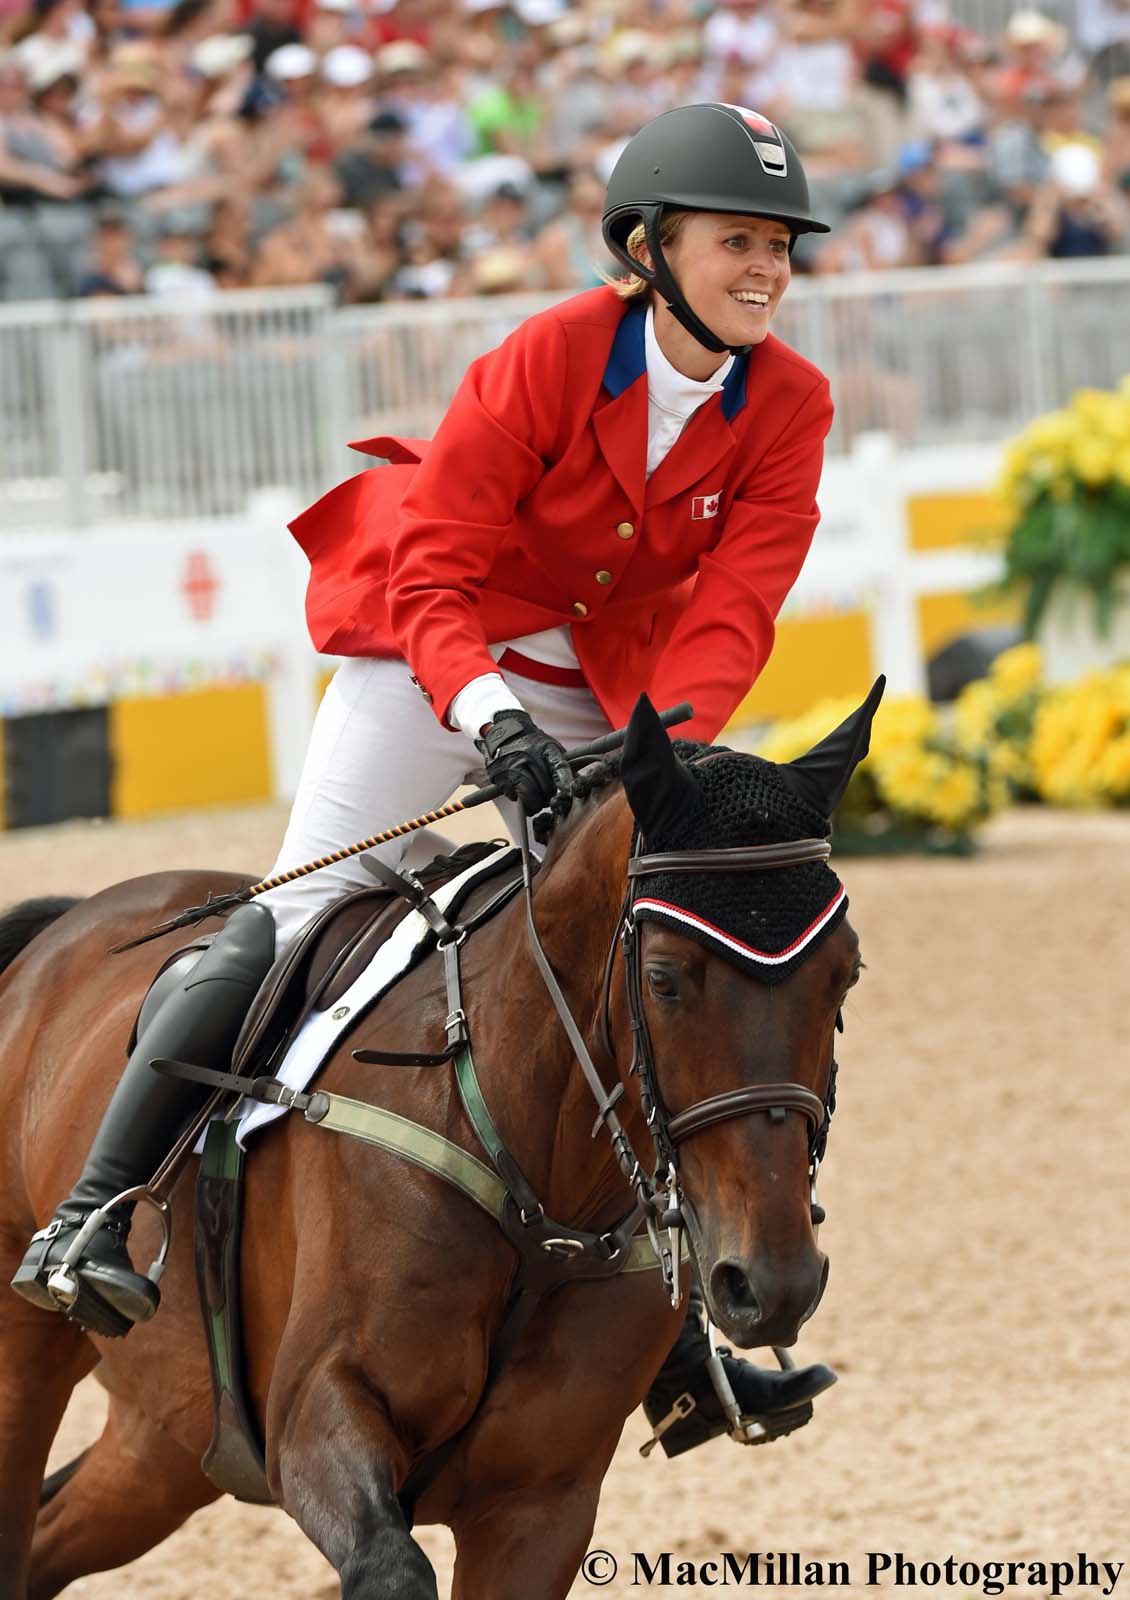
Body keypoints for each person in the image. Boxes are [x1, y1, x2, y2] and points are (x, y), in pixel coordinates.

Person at [12, 101, 838, 1457]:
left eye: (778, 247)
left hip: (609, 695)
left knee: (626, 971)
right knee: (298, 908)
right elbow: (437, 564)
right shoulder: (550, 355)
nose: (763, 268)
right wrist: (489, 715)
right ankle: (97, 1206)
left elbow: (733, 612)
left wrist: (645, 760)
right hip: (432, 654)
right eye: (735, 240)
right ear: (649, 247)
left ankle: (679, 1339)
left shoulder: (791, 403)